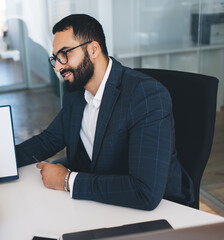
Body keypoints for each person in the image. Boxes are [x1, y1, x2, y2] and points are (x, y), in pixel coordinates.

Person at [14, 14, 194, 210]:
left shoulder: (146, 96)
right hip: (102, 201)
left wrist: (67, 180)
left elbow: (145, 192)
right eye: (56, 58)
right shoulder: (76, 92)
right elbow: (48, 140)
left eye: (65, 54)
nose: (58, 66)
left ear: (93, 49)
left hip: (161, 210)